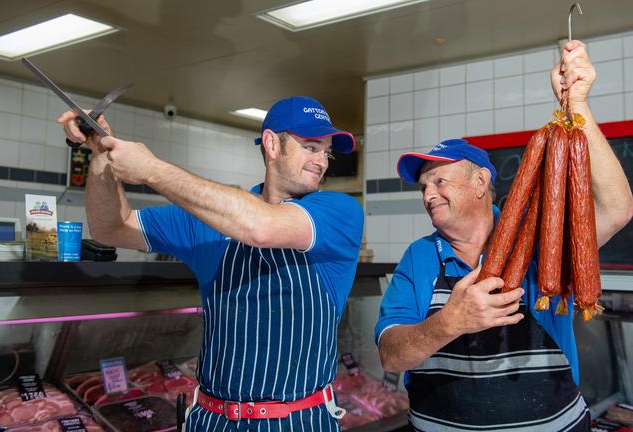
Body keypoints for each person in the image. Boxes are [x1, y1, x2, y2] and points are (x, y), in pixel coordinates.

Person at [59, 95, 364, 430]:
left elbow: (260, 226)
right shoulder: (210, 219)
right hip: (213, 420)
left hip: (299, 420)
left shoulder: (339, 212)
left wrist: (151, 169)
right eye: (311, 146)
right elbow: (111, 227)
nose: (322, 161)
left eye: (327, 151)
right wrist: (100, 151)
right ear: (272, 143)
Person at [375, 40, 633, 431]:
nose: (428, 194)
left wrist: (577, 105)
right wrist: (450, 322)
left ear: (480, 182)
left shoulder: (540, 239)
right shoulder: (419, 256)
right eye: (422, 187)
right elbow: (391, 356)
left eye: (439, 180)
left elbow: (617, 208)